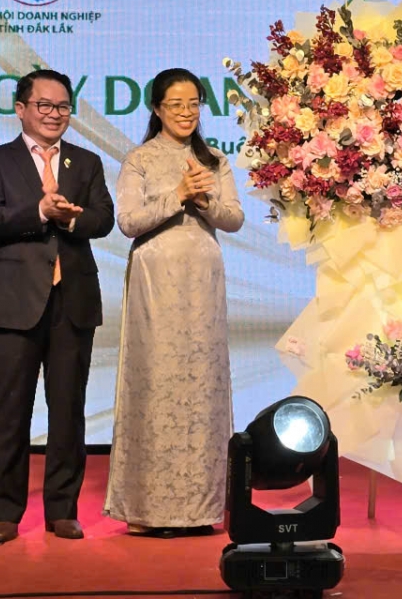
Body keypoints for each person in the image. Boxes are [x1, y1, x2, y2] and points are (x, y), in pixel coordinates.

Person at [0, 70, 114, 544]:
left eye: (63, 107)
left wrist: (71, 220)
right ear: (21, 108)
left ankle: (62, 509)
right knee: (8, 411)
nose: (55, 115)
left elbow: (104, 219)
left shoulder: (86, 162)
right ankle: (6, 512)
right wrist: (39, 212)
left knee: (68, 411)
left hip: (72, 301)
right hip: (14, 302)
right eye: (45, 106)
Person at [103, 68, 244, 537]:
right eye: (175, 105)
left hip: (203, 282)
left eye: (193, 103)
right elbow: (128, 221)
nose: (186, 113)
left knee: (202, 386)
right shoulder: (140, 159)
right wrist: (177, 194)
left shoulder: (215, 159)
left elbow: (234, 218)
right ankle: (151, 510)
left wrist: (203, 201)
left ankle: (202, 507)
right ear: (158, 109)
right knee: (157, 383)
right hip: (155, 283)